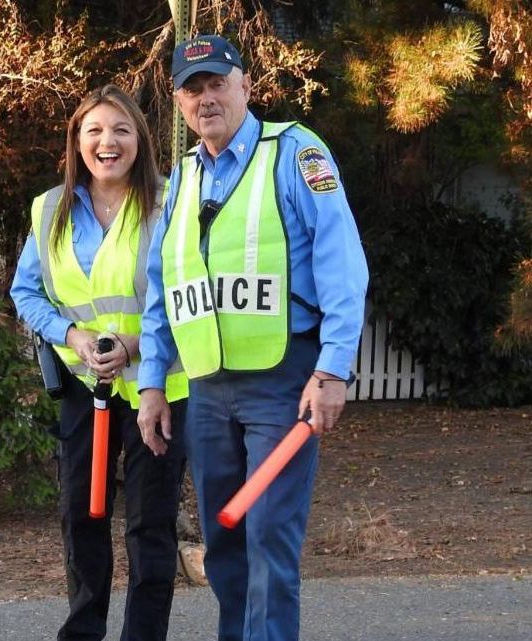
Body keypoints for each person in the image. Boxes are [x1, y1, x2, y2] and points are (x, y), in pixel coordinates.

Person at [136, 35, 369, 641]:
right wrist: (152, 383)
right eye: (193, 88)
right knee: (225, 540)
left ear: (245, 86)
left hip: (284, 384)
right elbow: (163, 288)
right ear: (179, 101)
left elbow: (342, 263)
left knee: (269, 536)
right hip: (209, 391)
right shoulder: (182, 178)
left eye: (217, 83)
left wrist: (332, 370)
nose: (205, 98)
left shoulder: (294, 153)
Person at [10, 84, 189, 641]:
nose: (107, 142)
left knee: (148, 527)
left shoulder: (171, 201)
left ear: (140, 140)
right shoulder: (50, 210)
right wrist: (73, 335)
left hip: (159, 390)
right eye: (94, 132)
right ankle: (83, 632)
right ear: (76, 143)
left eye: (120, 130)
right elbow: (27, 292)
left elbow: (191, 291)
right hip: (87, 389)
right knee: (80, 519)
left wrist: (134, 347)